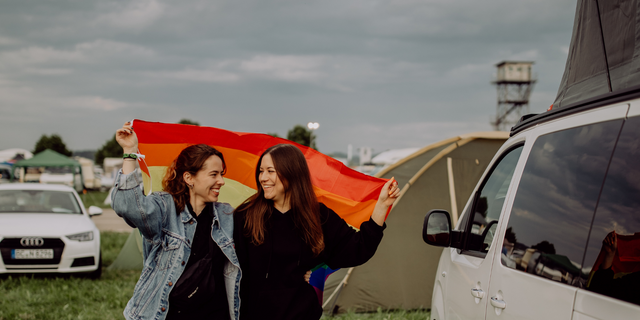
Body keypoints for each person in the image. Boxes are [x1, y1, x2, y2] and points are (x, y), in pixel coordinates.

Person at [233, 143, 400, 319]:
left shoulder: (318, 216)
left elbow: (357, 249)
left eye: (270, 171)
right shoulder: (246, 217)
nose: (263, 178)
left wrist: (382, 206)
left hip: (302, 313)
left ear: (292, 173)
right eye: (261, 171)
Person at [111, 122, 241, 320]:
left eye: (221, 174)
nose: (221, 181)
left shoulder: (226, 216)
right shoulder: (164, 208)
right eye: (214, 174)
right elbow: (127, 206)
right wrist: (129, 152)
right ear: (189, 178)